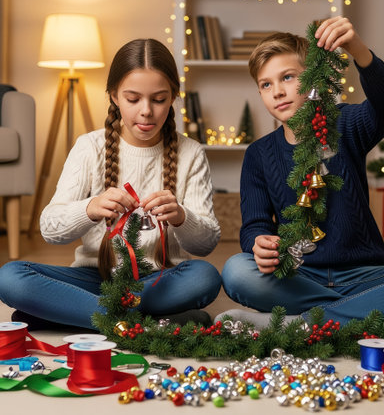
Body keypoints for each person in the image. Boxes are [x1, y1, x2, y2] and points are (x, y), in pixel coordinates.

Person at [216, 17, 384, 331]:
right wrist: (258, 243)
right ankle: (375, 317)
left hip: (364, 276)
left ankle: (300, 325)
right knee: (236, 270)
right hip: (298, 276)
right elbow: (254, 225)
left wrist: (358, 50)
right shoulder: (258, 155)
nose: (278, 91)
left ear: (312, 79)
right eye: (266, 84)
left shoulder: (345, 124)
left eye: (288, 77)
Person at [0, 38, 222, 330]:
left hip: (157, 279)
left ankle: (79, 316)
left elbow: (206, 244)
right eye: (133, 99)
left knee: (205, 277)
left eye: (159, 99)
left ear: (173, 97)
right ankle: (141, 321)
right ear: (114, 96)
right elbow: (50, 229)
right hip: (95, 279)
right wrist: (89, 208)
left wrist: (182, 217)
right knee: (11, 277)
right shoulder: (89, 147)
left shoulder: (190, 152)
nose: (146, 111)